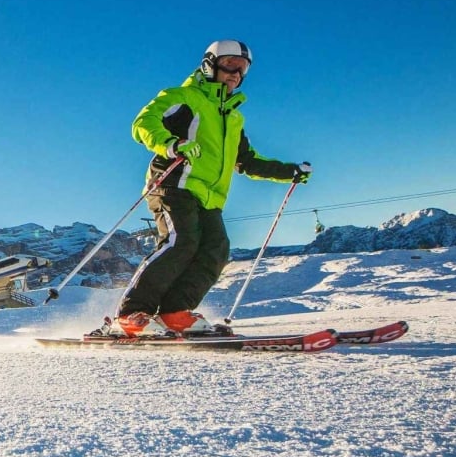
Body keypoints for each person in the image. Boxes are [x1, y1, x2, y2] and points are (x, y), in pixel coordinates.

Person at [92, 39, 312, 338]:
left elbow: (246, 161)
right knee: (180, 242)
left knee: (215, 250)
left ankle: (173, 313)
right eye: (230, 63)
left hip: (208, 197)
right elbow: (144, 122)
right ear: (210, 64)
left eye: (243, 67)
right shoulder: (184, 97)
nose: (236, 73)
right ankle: (130, 315)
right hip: (173, 184)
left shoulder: (233, 117)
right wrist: (171, 144)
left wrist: (290, 172)